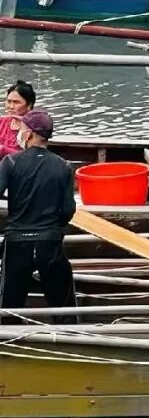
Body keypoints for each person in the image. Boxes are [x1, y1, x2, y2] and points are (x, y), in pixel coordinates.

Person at [0, 108, 76, 316]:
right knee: (63, 306)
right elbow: (68, 209)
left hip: (17, 242)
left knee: (9, 307)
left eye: (22, 129)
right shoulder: (64, 166)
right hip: (49, 242)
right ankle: (69, 337)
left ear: (30, 134)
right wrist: (55, 229)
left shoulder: (11, 162)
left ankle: (10, 342)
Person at [0, 83, 35, 159]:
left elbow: (33, 157)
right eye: (9, 101)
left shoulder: (36, 126)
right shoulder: (1, 122)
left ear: (29, 105)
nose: (11, 106)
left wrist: (4, 150)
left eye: (16, 102)